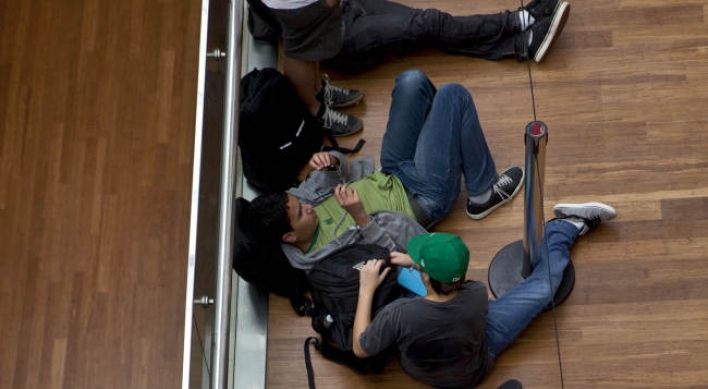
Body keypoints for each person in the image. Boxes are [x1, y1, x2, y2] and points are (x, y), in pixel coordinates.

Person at [250, 69, 524, 270]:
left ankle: (441, 141)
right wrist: (360, 217)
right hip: (420, 199)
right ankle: (482, 193)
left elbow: (341, 167)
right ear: (290, 237)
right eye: (301, 213)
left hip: (390, 171)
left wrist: (331, 163)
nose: (307, 206)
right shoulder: (325, 261)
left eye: (300, 202)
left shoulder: (296, 202)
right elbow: (390, 260)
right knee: (454, 96)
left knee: (411, 81)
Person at [352, 202, 617, 389]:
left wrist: (366, 289)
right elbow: (443, 284)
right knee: (543, 288)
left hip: (426, 372)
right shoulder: (474, 294)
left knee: (393, 276)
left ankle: (566, 226)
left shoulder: (400, 313)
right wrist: (417, 262)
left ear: (424, 276)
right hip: (477, 361)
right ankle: (564, 228)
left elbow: (361, 349)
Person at [249, 0, 572, 73]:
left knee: (429, 31)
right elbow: (298, 50)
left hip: (346, 8)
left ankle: (521, 43)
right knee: (429, 24)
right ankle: (518, 21)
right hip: (340, 38)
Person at [252, 0, 365, 137]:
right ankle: (314, 112)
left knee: (311, 41)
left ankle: (317, 91)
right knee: (300, 50)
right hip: (297, 5)